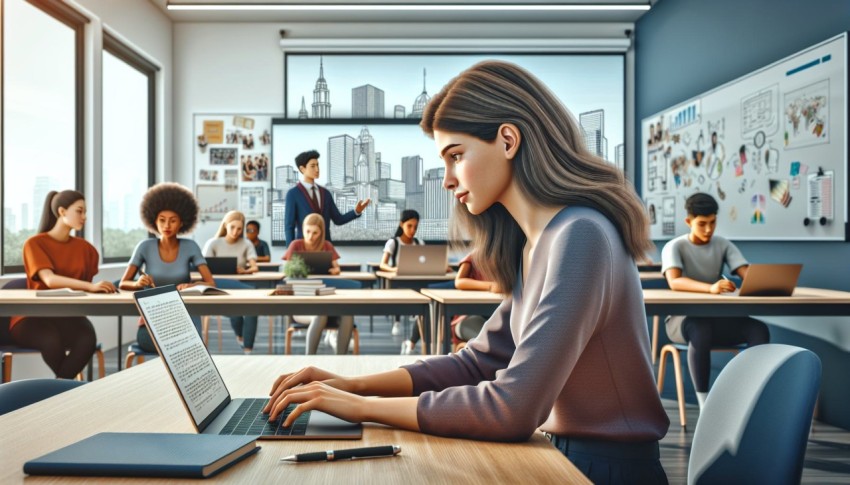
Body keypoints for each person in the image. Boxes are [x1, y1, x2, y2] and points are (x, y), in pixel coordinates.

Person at [264, 61, 669, 484]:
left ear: (508, 139)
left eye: (456, 156)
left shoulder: (581, 235)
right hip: (562, 455)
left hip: (604, 470)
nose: (446, 179)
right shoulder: (539, 243)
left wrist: (361, 409)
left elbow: (512, 408)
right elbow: (479, 363)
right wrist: (354, 385)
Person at [660, 192, 769, 409]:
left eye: (713, 222)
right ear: (688, 221)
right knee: (700, 328)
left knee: (759, 330)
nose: (708, 230)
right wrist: (711, 288)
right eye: (702, 224)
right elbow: (675, 281)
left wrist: (765, 283)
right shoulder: (674, 247)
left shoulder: (722, 244)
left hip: (717, 320)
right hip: (681, 322)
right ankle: (705, 405)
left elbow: (747, 274)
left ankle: (749, 396)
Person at [11, 190, 116, 379]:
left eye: (85, 212)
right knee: (50, 340)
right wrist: (90, 287)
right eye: (79, 211)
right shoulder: (34, 243)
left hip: (70, 316)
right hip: (34, 318)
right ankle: (66, 392)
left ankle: (59, 390)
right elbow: (49, 280)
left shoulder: (87, 250)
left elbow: (87, 288)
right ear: (62, 211)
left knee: (87, 339)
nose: (84, 217)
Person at [119, 182, 215, 352]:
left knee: (190, 347)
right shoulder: (144, 246)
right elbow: (123, 283)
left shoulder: (190, 246)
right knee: (179, 349)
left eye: (173, 220)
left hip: (184, 314)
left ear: (182, 223)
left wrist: (192, 285)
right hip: (154, 317)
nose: (167, 226)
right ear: (153, 221)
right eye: (162, 220)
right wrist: (137, 283)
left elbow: (210, 283)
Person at [282, 213, 354, 355]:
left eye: (315, 232)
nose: (311, 236)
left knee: (348, 315)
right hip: (303, 307)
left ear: (322, 232)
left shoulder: (327, 245)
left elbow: (337, 268)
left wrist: (335, 271)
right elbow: (287, 271)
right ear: (302, 230)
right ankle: (309, 361)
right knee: (320, 315)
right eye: (307, 231)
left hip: (327, 302)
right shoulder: (295, 245)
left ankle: (341, 359)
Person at [283, 149, 371, 245]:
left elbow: (338, 219)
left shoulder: (326, 193)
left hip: (326, 247)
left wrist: (356, 211)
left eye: (317, 165)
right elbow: (289, 227)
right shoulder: (293, 194)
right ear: (302, 169)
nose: (317, 169)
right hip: (303, 248)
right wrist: (290, 253)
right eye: (313, 166)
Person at [203, 210, 259, 353]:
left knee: (249, 307)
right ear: (225, 225)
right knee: (252, 296)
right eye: (232, 227)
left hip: (238, 285)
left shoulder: (246, 243)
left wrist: (246, 270)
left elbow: (254, 266)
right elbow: (203, 268)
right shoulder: (213, 243)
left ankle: (248, 349)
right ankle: (241, 337)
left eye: (239, 228)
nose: (235, 231)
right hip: (218, 284)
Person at [378, 210, 424, 344]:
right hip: (398, 279)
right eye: (409, 226)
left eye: (415, 227)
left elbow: (425, 260)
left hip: (416, 278)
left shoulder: (419, 242)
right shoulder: (393, 242)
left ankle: (417, 316)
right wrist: (394, 269)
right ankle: (397, 321)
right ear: (401, 224)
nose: (413, 230)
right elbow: (383, 264)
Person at [449, 252, 501, 351]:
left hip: (497, 318)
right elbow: (459, 282)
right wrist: (490, 286)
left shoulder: (510, 258)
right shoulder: (473, 257)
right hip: (467, 318)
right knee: (491, 344)